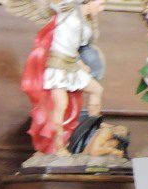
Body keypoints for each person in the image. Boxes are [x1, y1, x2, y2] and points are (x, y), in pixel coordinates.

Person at [18, 0, 106, 155]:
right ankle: (58, 145)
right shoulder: (67, 12)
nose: (102, 8)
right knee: (60, 106)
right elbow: (52, 9)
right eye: (100, 4)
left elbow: (77, 46)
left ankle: (93, 131)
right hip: (58, 66)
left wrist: (80, 62)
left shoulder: (86, 22)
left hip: (72, 64)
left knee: (96, 90)